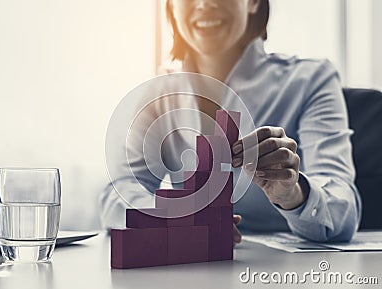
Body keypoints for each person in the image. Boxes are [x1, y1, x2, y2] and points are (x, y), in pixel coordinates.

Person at [100, 0, 361, 243]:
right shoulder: (158, 94)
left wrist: (292, 194)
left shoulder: (311, 79)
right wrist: (171, 218)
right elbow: (119, 193)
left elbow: (342, 210)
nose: (203, 4)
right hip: (193, 266)